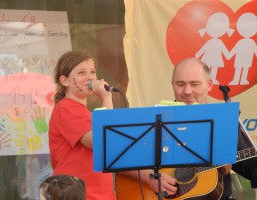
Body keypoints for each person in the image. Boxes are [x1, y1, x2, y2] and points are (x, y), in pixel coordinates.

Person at [119, 57, 257, 200]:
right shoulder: (155, 120)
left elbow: (251, 167)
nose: (187, 91)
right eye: (180, 84)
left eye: (195, 84)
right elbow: (118, 157)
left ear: (209, 85)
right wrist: (149, 177)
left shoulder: (222, 122)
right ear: (172, 84)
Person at [48, 50, 117, 200]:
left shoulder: (88, 114)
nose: (90, 77)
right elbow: (100, 141)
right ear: (65, 81)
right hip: (79, 195)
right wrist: (106, 98)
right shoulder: (66, 108)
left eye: (92, 72)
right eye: (81, 73)